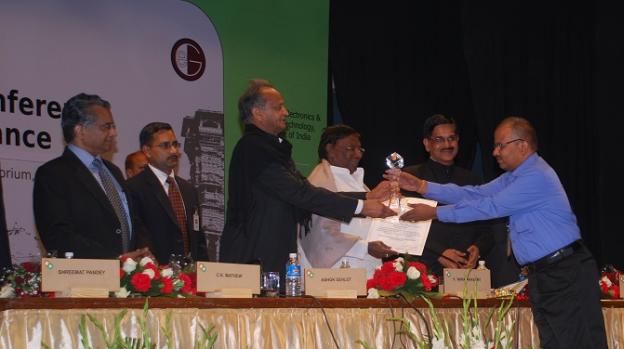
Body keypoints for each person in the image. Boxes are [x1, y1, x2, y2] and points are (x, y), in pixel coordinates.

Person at [389, 116, 624, 349]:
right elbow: (476, 192)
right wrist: (424, 187)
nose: (495, 152)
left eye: (501, 145)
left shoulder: (535, 177)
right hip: (547, 275)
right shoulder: (517, 176)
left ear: (522, 145)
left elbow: (487, 207)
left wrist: (432, 214)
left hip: (565, 272)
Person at [219, 79, 395, 276]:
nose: (285, 112)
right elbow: (300, 193)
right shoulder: (253, 148)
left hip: (272, 257)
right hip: (254, 258)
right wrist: (361, 207)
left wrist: (365, 198)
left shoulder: (271, 148)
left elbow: (304, 189)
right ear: (257, 113)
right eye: (278, 107)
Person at [33, 93, 150, 260]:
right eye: (106, 127)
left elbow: (131, 223)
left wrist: (141, 253)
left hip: (125, 280)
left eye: (113, 126)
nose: (113, 133)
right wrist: (114, 259)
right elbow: (57, 236)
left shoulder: (114, 172)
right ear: (80, 130)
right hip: (83, 281)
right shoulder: (53, 174)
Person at [299, 124, 396, 276]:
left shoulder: (361, 184)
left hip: (369, 269)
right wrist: (365, 247)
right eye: (350, 148)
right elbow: (321, 233)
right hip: (335, 273)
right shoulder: (320, 181)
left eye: (360, 149)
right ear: (330, 149)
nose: (358, 154)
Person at [403, 114, 492, 275]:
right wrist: (438, 253)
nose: (447, 144)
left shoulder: (473, 180)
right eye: (439, 140)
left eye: (451, 138)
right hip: (423, 269)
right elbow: (403, 226)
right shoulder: (411, 178)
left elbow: (487, 228)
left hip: (466, 271)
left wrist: (478, 248)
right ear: (427, 144)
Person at [126, 122, 209, 265]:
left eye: (175, 144)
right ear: (147, 151)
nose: (173, 151)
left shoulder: (188, 190)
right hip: (156, 278)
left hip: (191, 277)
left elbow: (198, 238)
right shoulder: (134, 188)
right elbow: (139, 237)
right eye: (165, 146)